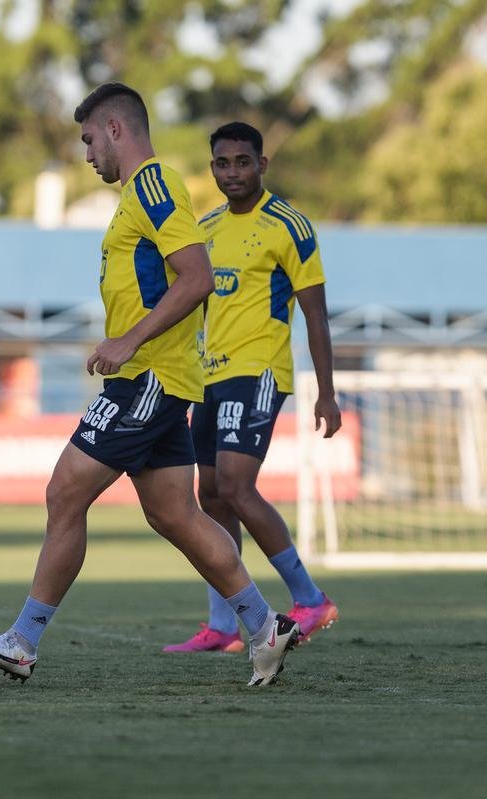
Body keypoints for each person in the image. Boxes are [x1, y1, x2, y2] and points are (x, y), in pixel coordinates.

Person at [0, 83, 300, 686]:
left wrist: (129, 341)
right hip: (162, 379)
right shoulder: (140, 195)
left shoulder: (153, 184)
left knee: (65, 492)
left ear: (115, 130)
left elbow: (197, 278)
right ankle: (264, 623)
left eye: (89, 139)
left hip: (148, 378)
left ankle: (22, 640)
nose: (87, 154)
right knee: (175, 515)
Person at [162, 122, 341, 653]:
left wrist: (326, 391)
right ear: (211, 168)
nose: (232, 172)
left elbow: (317, 315)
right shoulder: (207, 228)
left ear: (262, 164)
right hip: (209, 376)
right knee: (210, 496)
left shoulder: (290, 225)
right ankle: (222, 627)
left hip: (259, 371)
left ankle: (310, 599)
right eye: (222, 163)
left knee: (238, 487)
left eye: (242, 162)